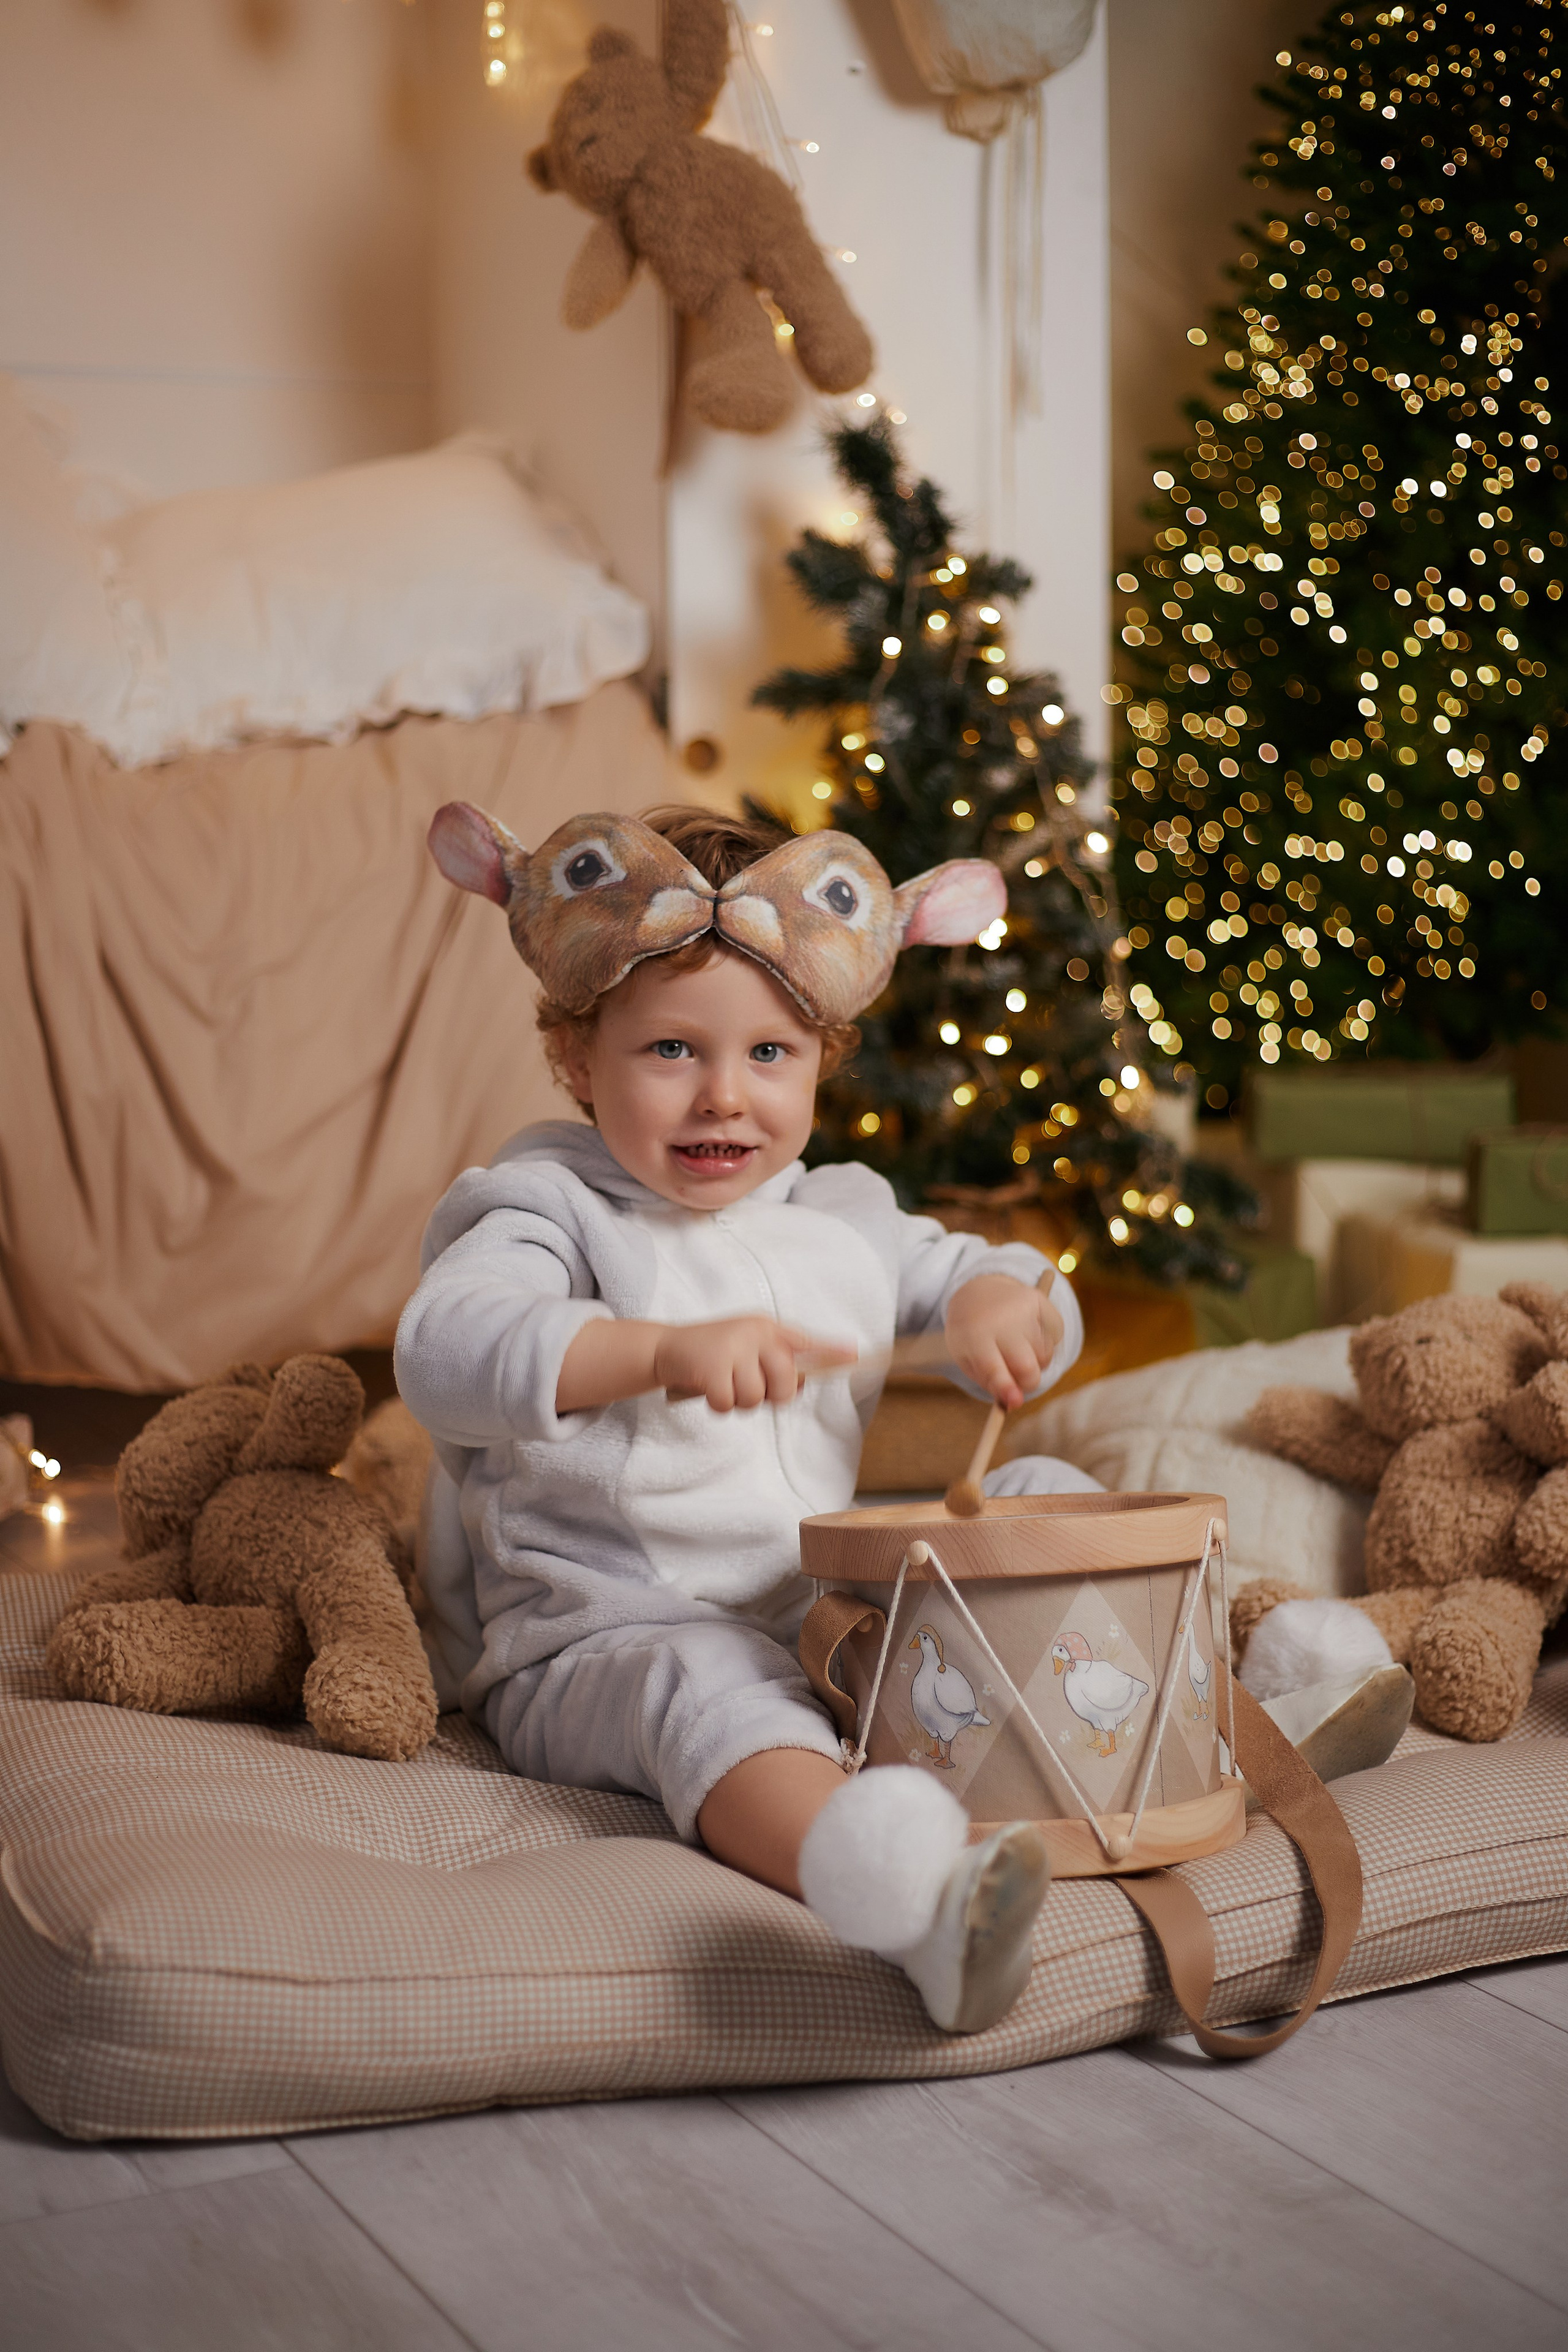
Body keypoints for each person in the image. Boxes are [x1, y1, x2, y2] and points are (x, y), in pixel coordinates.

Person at [396, 801, 1102, 2034]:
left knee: (1044, 1517)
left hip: (811, 1605)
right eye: (670, 1051)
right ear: (577, 1057)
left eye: (767, 1056)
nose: (723, 1097)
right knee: (711, 1681)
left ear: (821, 1058)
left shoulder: (843, 1212)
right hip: (601, 1637)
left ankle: (1215, 1714)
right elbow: (444, 1352)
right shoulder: (545, 1207)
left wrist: (1008, 1304)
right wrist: (652, 1352)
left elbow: (1016, 1281)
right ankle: (921, 1909)